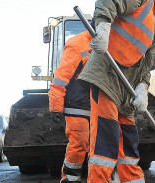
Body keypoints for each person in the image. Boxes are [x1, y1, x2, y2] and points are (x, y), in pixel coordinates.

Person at [77, 0, 155, 182]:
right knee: (105, 140)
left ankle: (132, 180)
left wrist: (142, 88)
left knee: (129, 141)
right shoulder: (143, 2)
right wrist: (103, 28)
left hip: (127, 91)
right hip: (106, 76)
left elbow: (146, 67)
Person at [48, 30, 92, 182]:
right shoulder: (78, 43)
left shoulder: (112, 41)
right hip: (77, 105)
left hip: (99, 105)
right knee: (79, 143)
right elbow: (61, 78)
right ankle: (70, 180)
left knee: (99, 148)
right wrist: (56, 106)